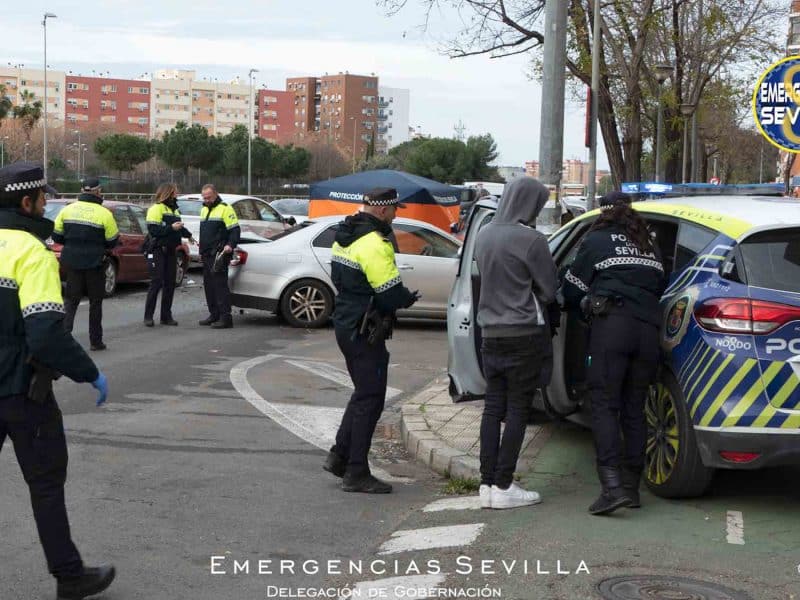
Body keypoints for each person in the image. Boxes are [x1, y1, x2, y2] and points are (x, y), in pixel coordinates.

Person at [0, 163, 115, 599]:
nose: (47, 203)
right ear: (26, 202)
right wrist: (90, 372)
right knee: (46, 484)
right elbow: (46, 332)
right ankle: (69, 576)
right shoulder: (32, 253)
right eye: (43, 198)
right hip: (22, 392)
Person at [562, 190, 666, 515]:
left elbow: (571, 289)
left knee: (605, 405)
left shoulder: (596, 241)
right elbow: (660, 286)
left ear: (603, 212)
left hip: (613, 329)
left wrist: (582, 305)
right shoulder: (648, 244)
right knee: (635, 408)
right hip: (648, 332)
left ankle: (611, 488)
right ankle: (631, 488)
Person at [323, 187, 419, 494]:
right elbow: (389, 292)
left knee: (363, 393)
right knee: (371, 398)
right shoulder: (375, 242)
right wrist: (406, 299)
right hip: (364, 327)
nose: (395, 215)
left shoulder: (345, 235)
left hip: (346, 321)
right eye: (394, 210)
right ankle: (356, 473)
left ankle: (340, 456)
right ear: (381, 210)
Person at [473, 177, 558, 510]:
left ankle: (486, 484)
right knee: (518, 408)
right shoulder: (532, 240)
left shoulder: (483, 234)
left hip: (490, 334)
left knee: (492, 407)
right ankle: (504, 483)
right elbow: (549, 290)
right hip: (523, 334)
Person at [52, 177, 118, 351]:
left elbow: (57, 235)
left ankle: (63, 339)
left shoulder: (67, 210)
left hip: (72, 262)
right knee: (95, 303)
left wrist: (72, 244)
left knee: (71, 301)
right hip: (95, 263)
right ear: (98, 191)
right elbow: (112, 241)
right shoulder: (104, 213)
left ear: (81, 191)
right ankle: (95, 341)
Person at [143, 183, 195, 327]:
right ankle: (148, 316)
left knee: (170, 284)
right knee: (156, 282)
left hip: (172, 250)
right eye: (175, 192)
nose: (177, 194)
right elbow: (154, 230)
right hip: (158, 250)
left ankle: (166, 316)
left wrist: (189, 235)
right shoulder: (156, 208)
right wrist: (171, 227)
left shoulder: (174, 210)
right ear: (168, 193)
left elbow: (179, 227)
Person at [198, 184, 240, 329]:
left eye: (208, 197)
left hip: (219, 254)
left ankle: (225, 318)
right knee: (209, 286)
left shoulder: (225, 208)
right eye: (204, 197)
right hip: (206, 254)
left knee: (220, 286)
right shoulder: (204, 209)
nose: (206, 200)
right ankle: (214, 314)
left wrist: (230, 245)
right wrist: (201, 251)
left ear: (215, 194)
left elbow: (235, 230)